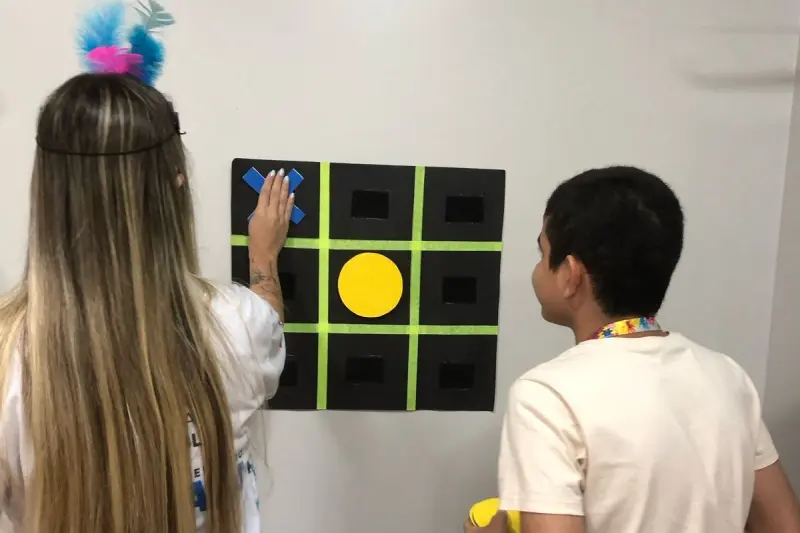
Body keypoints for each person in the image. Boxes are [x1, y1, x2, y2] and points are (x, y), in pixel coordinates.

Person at [0, 73, 292, 533]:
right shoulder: (239, 326)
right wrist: (264, 260)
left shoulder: (7, 356)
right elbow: (269, 321)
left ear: (48, 191)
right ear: (176, 185)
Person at [467, 166, 800, 533]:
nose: (536, 270)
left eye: (542, 253)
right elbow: (784, 525)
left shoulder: (545, 395)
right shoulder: (727, 377)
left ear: (571, 275)